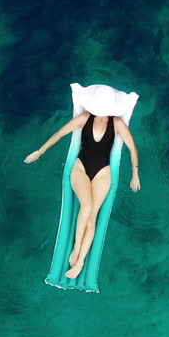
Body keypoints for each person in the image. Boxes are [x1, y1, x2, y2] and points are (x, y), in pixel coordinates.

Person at [25, 110, 140, 278]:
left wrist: (135, 173)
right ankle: (77, 248)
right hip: (80, 169)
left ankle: (80, 263)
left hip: (103, 173)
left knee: (92, 216)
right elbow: (60, 133)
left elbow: (132, 147)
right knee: (86, 206)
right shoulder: (85, 118)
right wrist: (40, 152)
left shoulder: (117, 124)